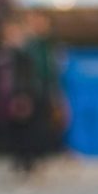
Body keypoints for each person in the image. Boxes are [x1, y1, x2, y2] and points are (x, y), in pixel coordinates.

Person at [0, 17, 49, 178]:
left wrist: (23, 96)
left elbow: (28, 76)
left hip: (24, 95)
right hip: (8, 96)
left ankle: (29, 161)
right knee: (15, 130)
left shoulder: (26, 52)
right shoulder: (4, 52)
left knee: (28, 130)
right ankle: (21, 160)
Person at [23, 11, 68, 152]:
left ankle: (45, 152)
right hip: (31, 90)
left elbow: (54, 69)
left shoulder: (50, 45)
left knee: (49, 122)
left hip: (48, 89)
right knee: (32, 124)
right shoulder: (28, 45)